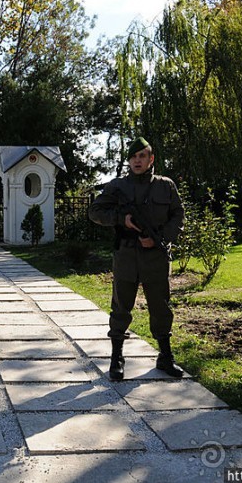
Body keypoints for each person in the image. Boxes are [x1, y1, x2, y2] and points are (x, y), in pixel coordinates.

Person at [88, 137, 185, 380]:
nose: (137, 161)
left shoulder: (166, 186)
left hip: (156, 256)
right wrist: (122, 220)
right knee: (121, 306)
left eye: (142, 156)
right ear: (129, 161)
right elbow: (95, 212)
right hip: (127, 255)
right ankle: (117, 358)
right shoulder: (118, 187)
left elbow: (178, 215)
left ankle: (165, 357)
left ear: (151, 159)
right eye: (133, 157)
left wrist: (160, 238)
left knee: (161, 307)